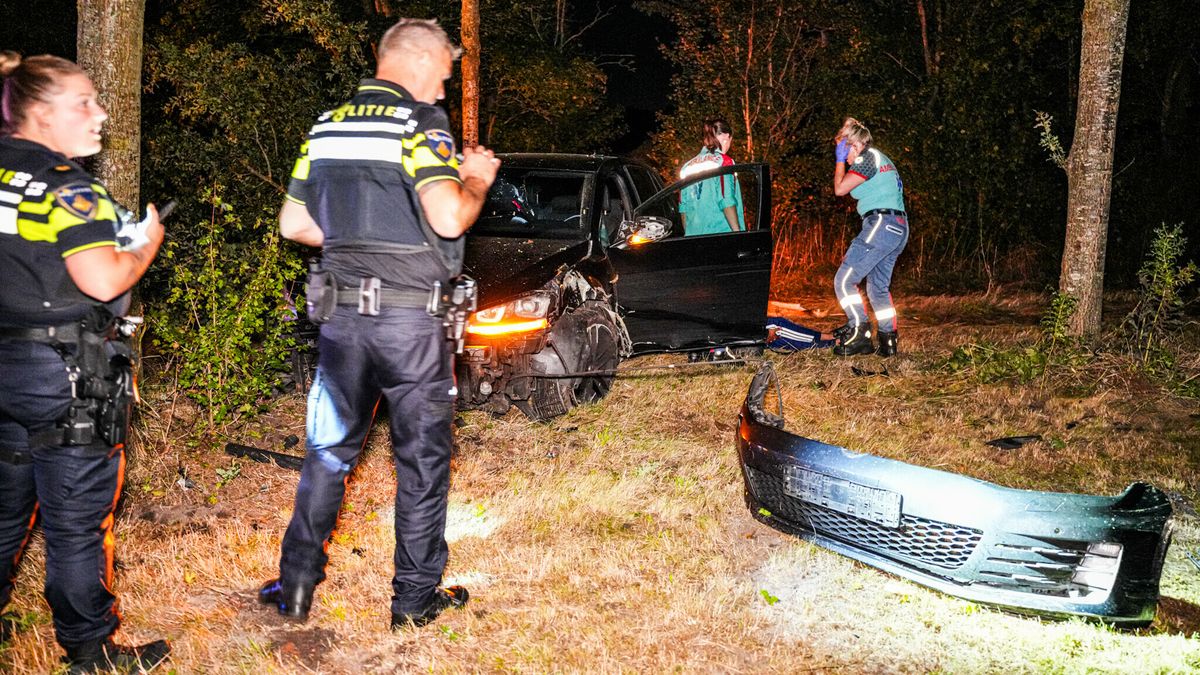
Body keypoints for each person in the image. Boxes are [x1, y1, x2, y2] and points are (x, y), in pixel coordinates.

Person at [259, 18, 500, 631]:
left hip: (342, 323)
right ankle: (413, 604)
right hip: (411, 326)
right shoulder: (421, 125)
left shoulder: (328, 125)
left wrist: (353, 243)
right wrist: (475, 179)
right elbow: (448, 218)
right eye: (443, 76)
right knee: (420, 463)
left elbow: (294, 223)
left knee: (327, 455)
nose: (443, 91)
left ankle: (295, 588)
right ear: (417, 63)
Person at [0, 53, 170, 672]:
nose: (101, 114)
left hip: (5, 365)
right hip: (63, 374)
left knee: (4, 514)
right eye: (84, 103)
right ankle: (90, 651)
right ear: (40, 114)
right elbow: (101, 281)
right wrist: (143, 247)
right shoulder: (67, 186)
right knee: (75, 525)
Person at [830, 117, 908, 357]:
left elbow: (840, 189)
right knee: (877, 289)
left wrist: (840, 160)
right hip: (896, 226)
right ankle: (888, 341)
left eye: (846, 149)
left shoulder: (868, 156)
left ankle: (859, 333)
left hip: (882, 223)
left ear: (854, 146)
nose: (848, 159)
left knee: (843, 281)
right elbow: (854, 189)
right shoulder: (880, 161)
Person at [678, 117, 744, 236]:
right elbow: (726, 200)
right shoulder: (724, 162)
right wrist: (738, 234)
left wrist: (689, 235)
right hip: (720, 235)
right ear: (726, 137)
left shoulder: (686, 167)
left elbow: (683, 209)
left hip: (694, 239)